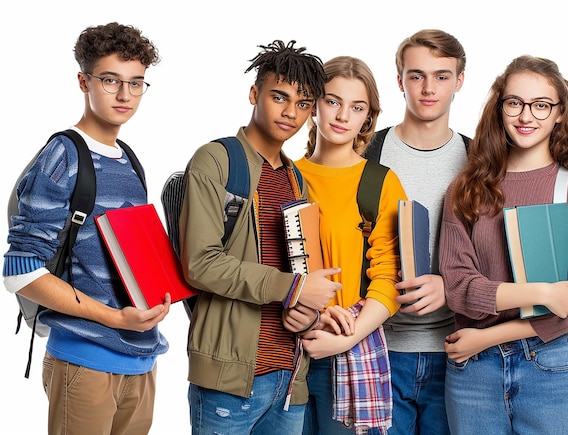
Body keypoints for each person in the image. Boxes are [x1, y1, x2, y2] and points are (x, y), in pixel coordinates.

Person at [3, 22, 170, 435]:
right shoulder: (63, 155)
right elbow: (20, 272)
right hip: (85, 362)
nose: (125, 95)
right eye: (111, 80)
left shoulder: (128, 159)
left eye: (137, 83)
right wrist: (115, 319)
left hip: (141, 360)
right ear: (84, 81)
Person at [439, 55, 568, 434]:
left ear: (559, 115)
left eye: (541, 105)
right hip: (472, 374)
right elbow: (457, 288)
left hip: (545, 366)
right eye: (515, 103)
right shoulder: (467, 189)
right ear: (500, 108)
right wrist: (539, 292)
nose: (526, 116)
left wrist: (486, 336)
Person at [179, 40, 342, 435]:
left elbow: (298, 272)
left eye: (303, 104)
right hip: (230, 381)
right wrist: (294, 288)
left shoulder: (294, 178)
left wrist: (307, 315)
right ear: (254, 94)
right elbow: (200, 263)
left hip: (290, 379)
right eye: (279, 97)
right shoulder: (217, 160)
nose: (290, 112)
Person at [363, 29, 469, 435]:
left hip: (457, 354)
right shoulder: (367, 153)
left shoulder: (479, 160)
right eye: (416, 75)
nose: (429, 88)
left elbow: (497, 255)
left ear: (459, 81)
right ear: (400, 80)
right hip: (379, 349)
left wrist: (451, 287)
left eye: (442, 76)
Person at [295, 56, 407, 434]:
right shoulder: (284, 175)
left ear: (367, 119)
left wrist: (345, 339)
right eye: (332, 101)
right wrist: (312, 317)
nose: (343, 115)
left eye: (356, 107)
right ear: (312, 105)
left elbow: (389, 276)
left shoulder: (378, 182)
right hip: (283, 350)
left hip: (345, 351)